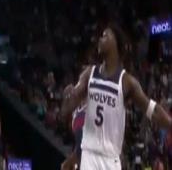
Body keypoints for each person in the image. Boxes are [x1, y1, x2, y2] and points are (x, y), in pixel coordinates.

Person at [61, 26, 172, 170]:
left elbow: (153, 110)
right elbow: (67, 109)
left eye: (105, 36)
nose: (100, 39)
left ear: (116, 44)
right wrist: (68, 98)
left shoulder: (127, 82)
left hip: (110, 160)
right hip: (89, 154)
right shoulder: (89, 74)